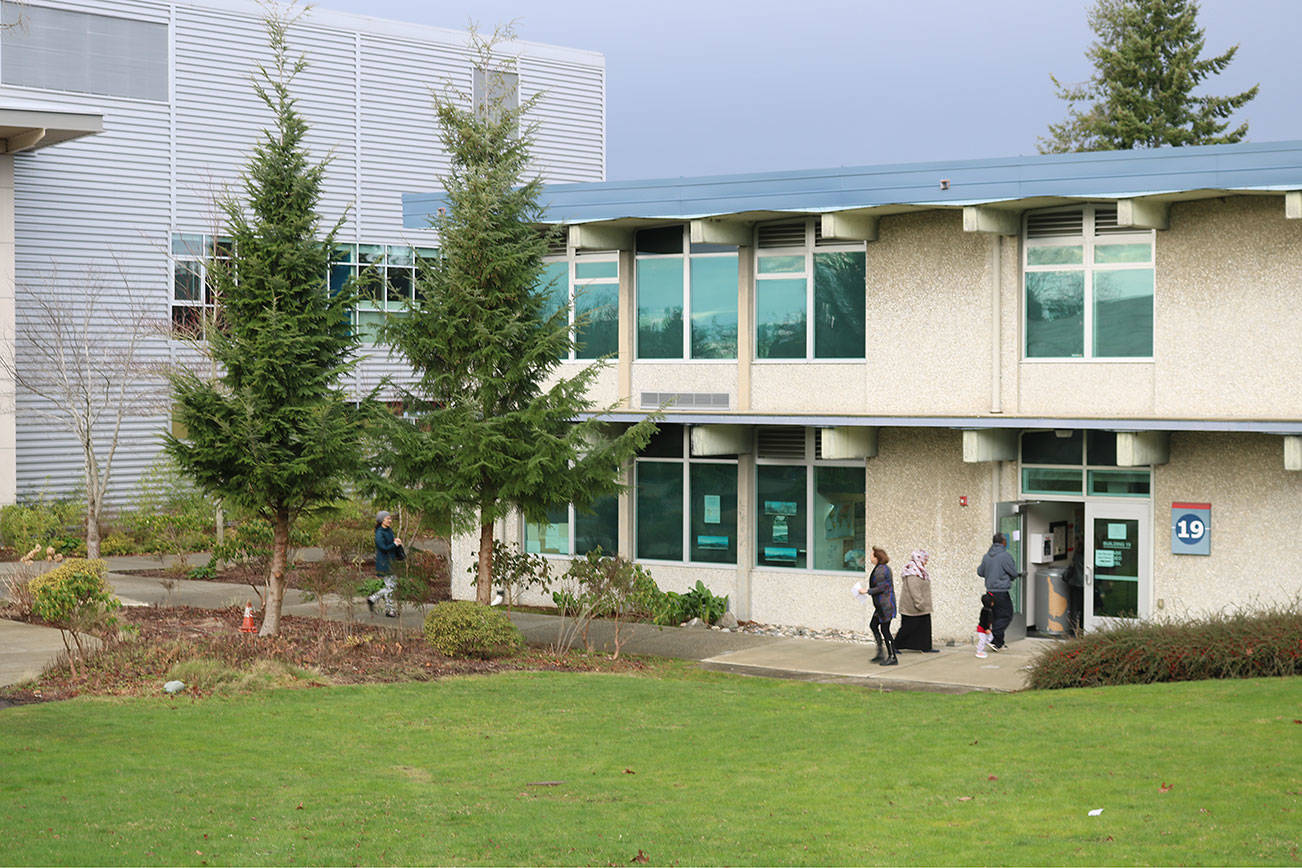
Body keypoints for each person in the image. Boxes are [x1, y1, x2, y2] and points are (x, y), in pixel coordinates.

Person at [976, 532, 1018, 650]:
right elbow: (1013, 573)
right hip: (1001, 591)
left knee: (996, 616)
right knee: (1006, 615)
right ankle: (994, 638)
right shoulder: (1005, 556)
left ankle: (998, 642)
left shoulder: (987, 556)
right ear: (1003, 542)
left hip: (990, 591)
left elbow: (980, 572)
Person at [894, 549, 939, 652]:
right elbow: (914, 590)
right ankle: (895, 645)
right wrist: (920, 604)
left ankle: (925, 647)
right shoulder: (912, 571)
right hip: (912, 606)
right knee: (908, 627)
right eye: (925, 559)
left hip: (922, 606)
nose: (926, 562)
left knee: (925, 627)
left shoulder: (920, 571)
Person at [367, 510, 403, 618]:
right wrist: (394, 544)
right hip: (384, 563)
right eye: (388, 519)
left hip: (391, 561)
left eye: (390, 518)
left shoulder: (389, 530)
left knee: (391, 586)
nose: (390, 520)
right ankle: (374, 599)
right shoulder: (379, 533)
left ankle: (388, 609)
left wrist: (396, 543)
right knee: (391, 587)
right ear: (382, 520)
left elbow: (391, 544)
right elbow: (383, 548)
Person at [866, 546, 898, 666]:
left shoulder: (881, 570)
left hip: (885, 605)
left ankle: (892, 657)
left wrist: (867, 591)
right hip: (881, 605)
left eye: (872, 555)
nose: (870, 557)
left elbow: (882, 588)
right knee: (873, 625)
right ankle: (880, 653)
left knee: (885, 630)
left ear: (877, 557)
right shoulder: (880, 568)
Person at [975, 592, 995, 658]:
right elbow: (983, 621)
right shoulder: (985, 610)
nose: (993, 603)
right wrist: (986, 629)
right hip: (982, 629)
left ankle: (981, 645)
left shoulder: (989, 610)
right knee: (982, 640)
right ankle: (979, 651)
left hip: (986, 628)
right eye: (992, 601)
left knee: (990, 638)